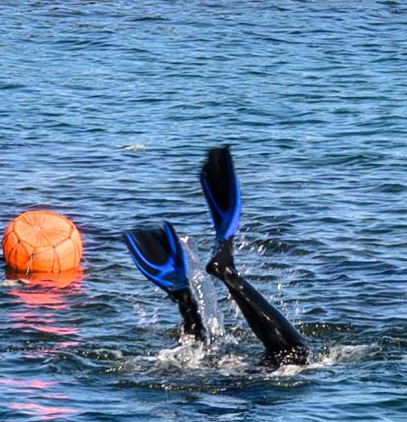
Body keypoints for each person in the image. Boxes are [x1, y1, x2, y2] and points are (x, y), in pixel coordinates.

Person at [125, 147, 310, 368]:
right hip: (227, 387)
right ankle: (193, 292)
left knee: (293, 354)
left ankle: (192, 296)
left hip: (227, 383)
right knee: (293, 355)